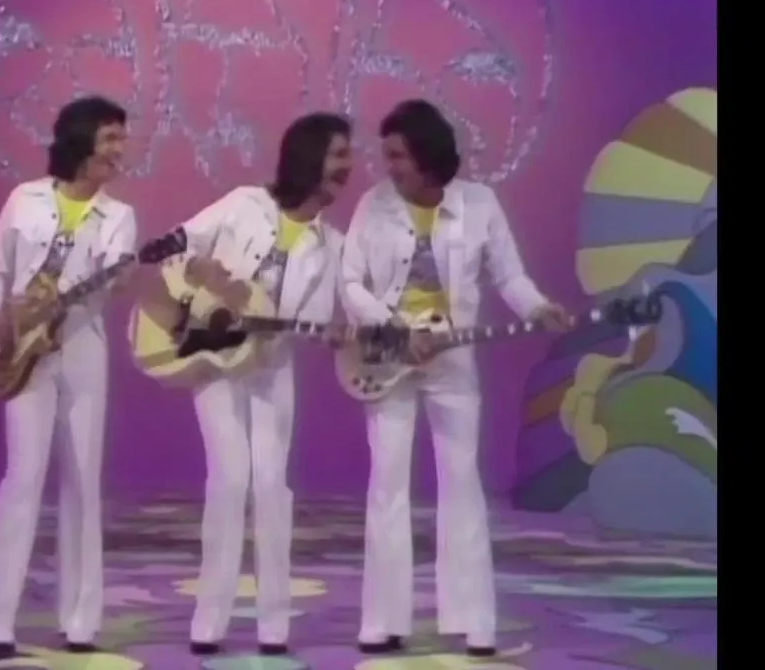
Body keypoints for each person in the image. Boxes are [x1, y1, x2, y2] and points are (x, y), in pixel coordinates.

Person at [340, 99, 569, 657]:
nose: (389, 166)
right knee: (387, 485)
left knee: (462, 483)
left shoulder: (479, 204)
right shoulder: (374, 205)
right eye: (386, 155)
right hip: (388, 360)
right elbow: (350, 282)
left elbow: (509, 276)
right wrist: (395, 329)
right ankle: (383, 622)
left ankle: (474, 622)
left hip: (453, 362)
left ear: (426, 155)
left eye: (398, 155)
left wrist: (538, 307)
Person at [168, 112, 352, 657]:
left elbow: (314, 319)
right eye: (339, 155)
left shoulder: (333, 245)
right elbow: (181, 244)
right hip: (215, 361)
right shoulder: (244, 204)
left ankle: (274, 625)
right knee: (230, 479)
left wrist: (332, 332)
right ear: (309, 156)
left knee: (272, 485)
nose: (348, 167)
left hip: (272, 367)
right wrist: (204, 279)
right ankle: (209, 621)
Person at [0, 96, 137, 665]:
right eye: (110, 138)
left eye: (122, 139)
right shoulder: (25, 199)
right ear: (80, 140)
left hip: (83, 355)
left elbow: (112, 280)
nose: (119, 150)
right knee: (22, 477)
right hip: (25, 352)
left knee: (82, 481)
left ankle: (80, 622)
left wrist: (113, 279)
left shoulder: (119, 217)